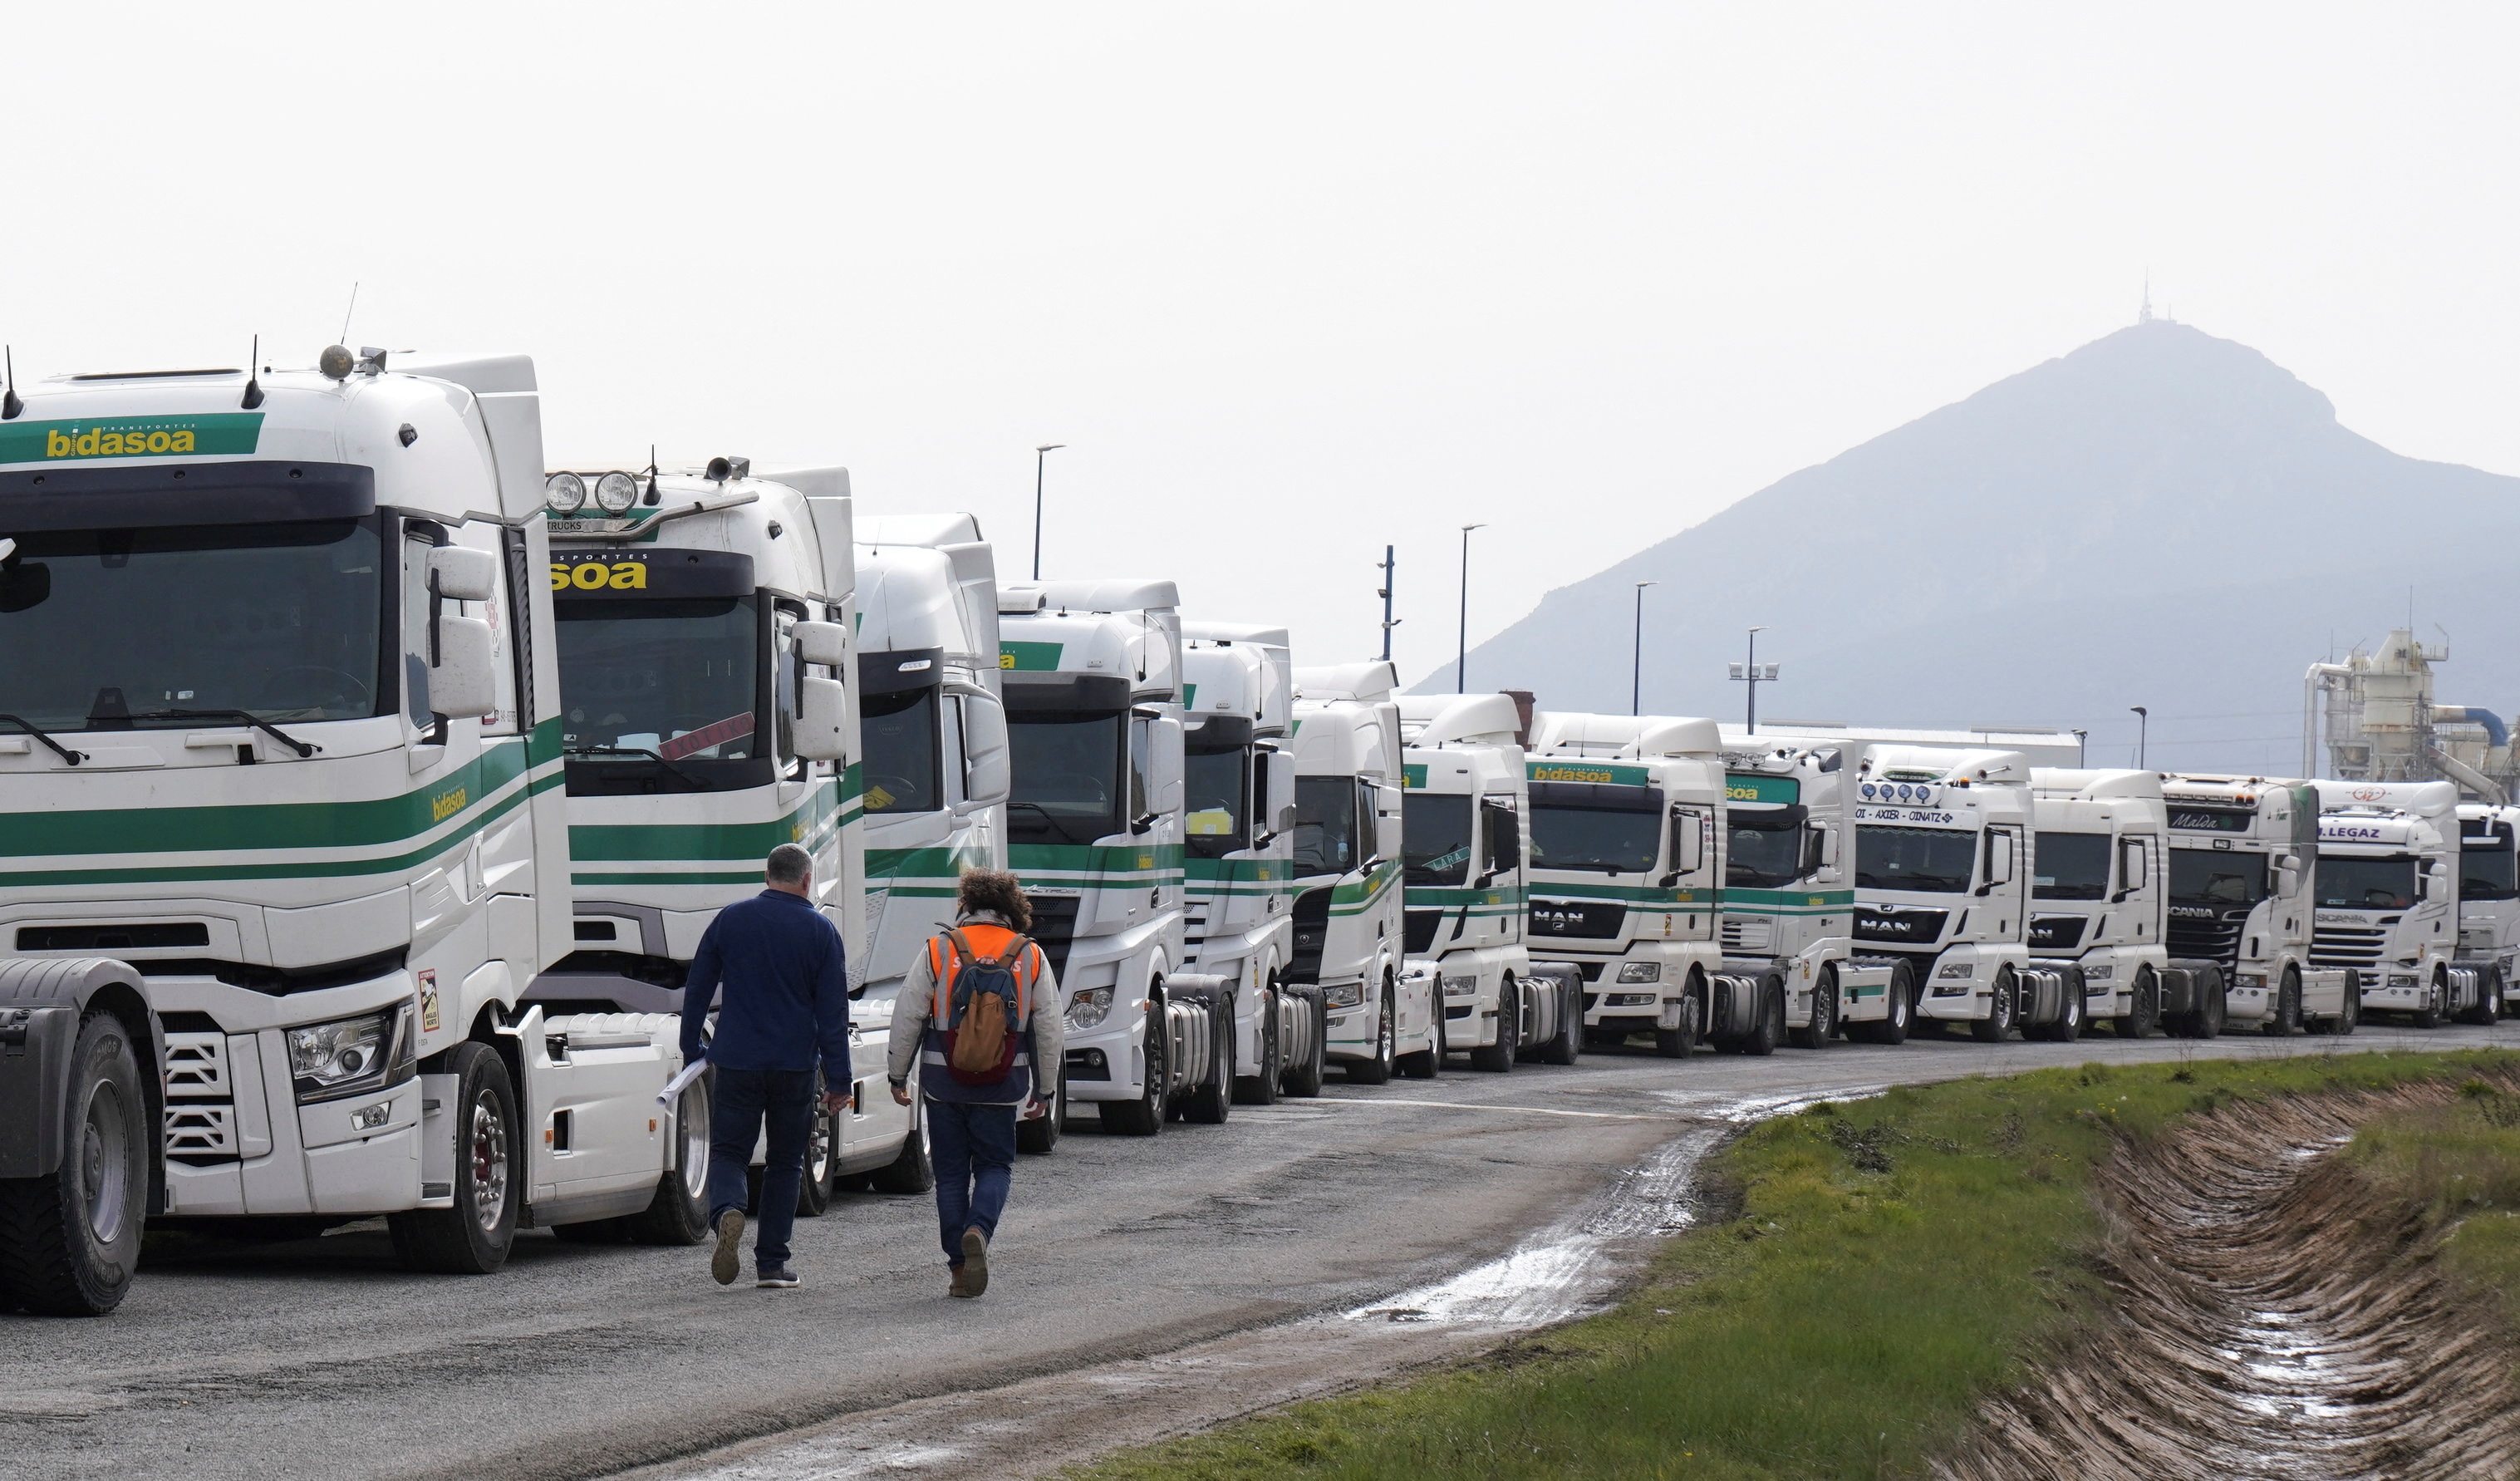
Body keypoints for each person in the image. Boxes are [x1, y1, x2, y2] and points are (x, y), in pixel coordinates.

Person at [679, 843, 852, 1290]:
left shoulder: (732, 920)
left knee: (729, 1152)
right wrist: (839, 1080)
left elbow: (698, 985)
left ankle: (728, 1212)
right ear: (807, 880)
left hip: (736, 1059)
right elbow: (833, 1015)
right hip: (794, 1065)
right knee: (785, 1162)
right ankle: (772, 1265)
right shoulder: (821, 932)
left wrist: (690, 1045)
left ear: (767, 875)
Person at [887, 868, 1064, 1297]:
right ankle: (979, 1232)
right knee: (995, 1166)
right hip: (1003, 1082)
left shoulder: (939, 948)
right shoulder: (1029, 954)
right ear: (1011, 911)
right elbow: (1049, 1026)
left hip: (943, 1081)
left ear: (966, 905)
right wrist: (1045, 1088)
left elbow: (908, 1012)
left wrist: (897, 1074)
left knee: (949, 1176)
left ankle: (959, 1269)